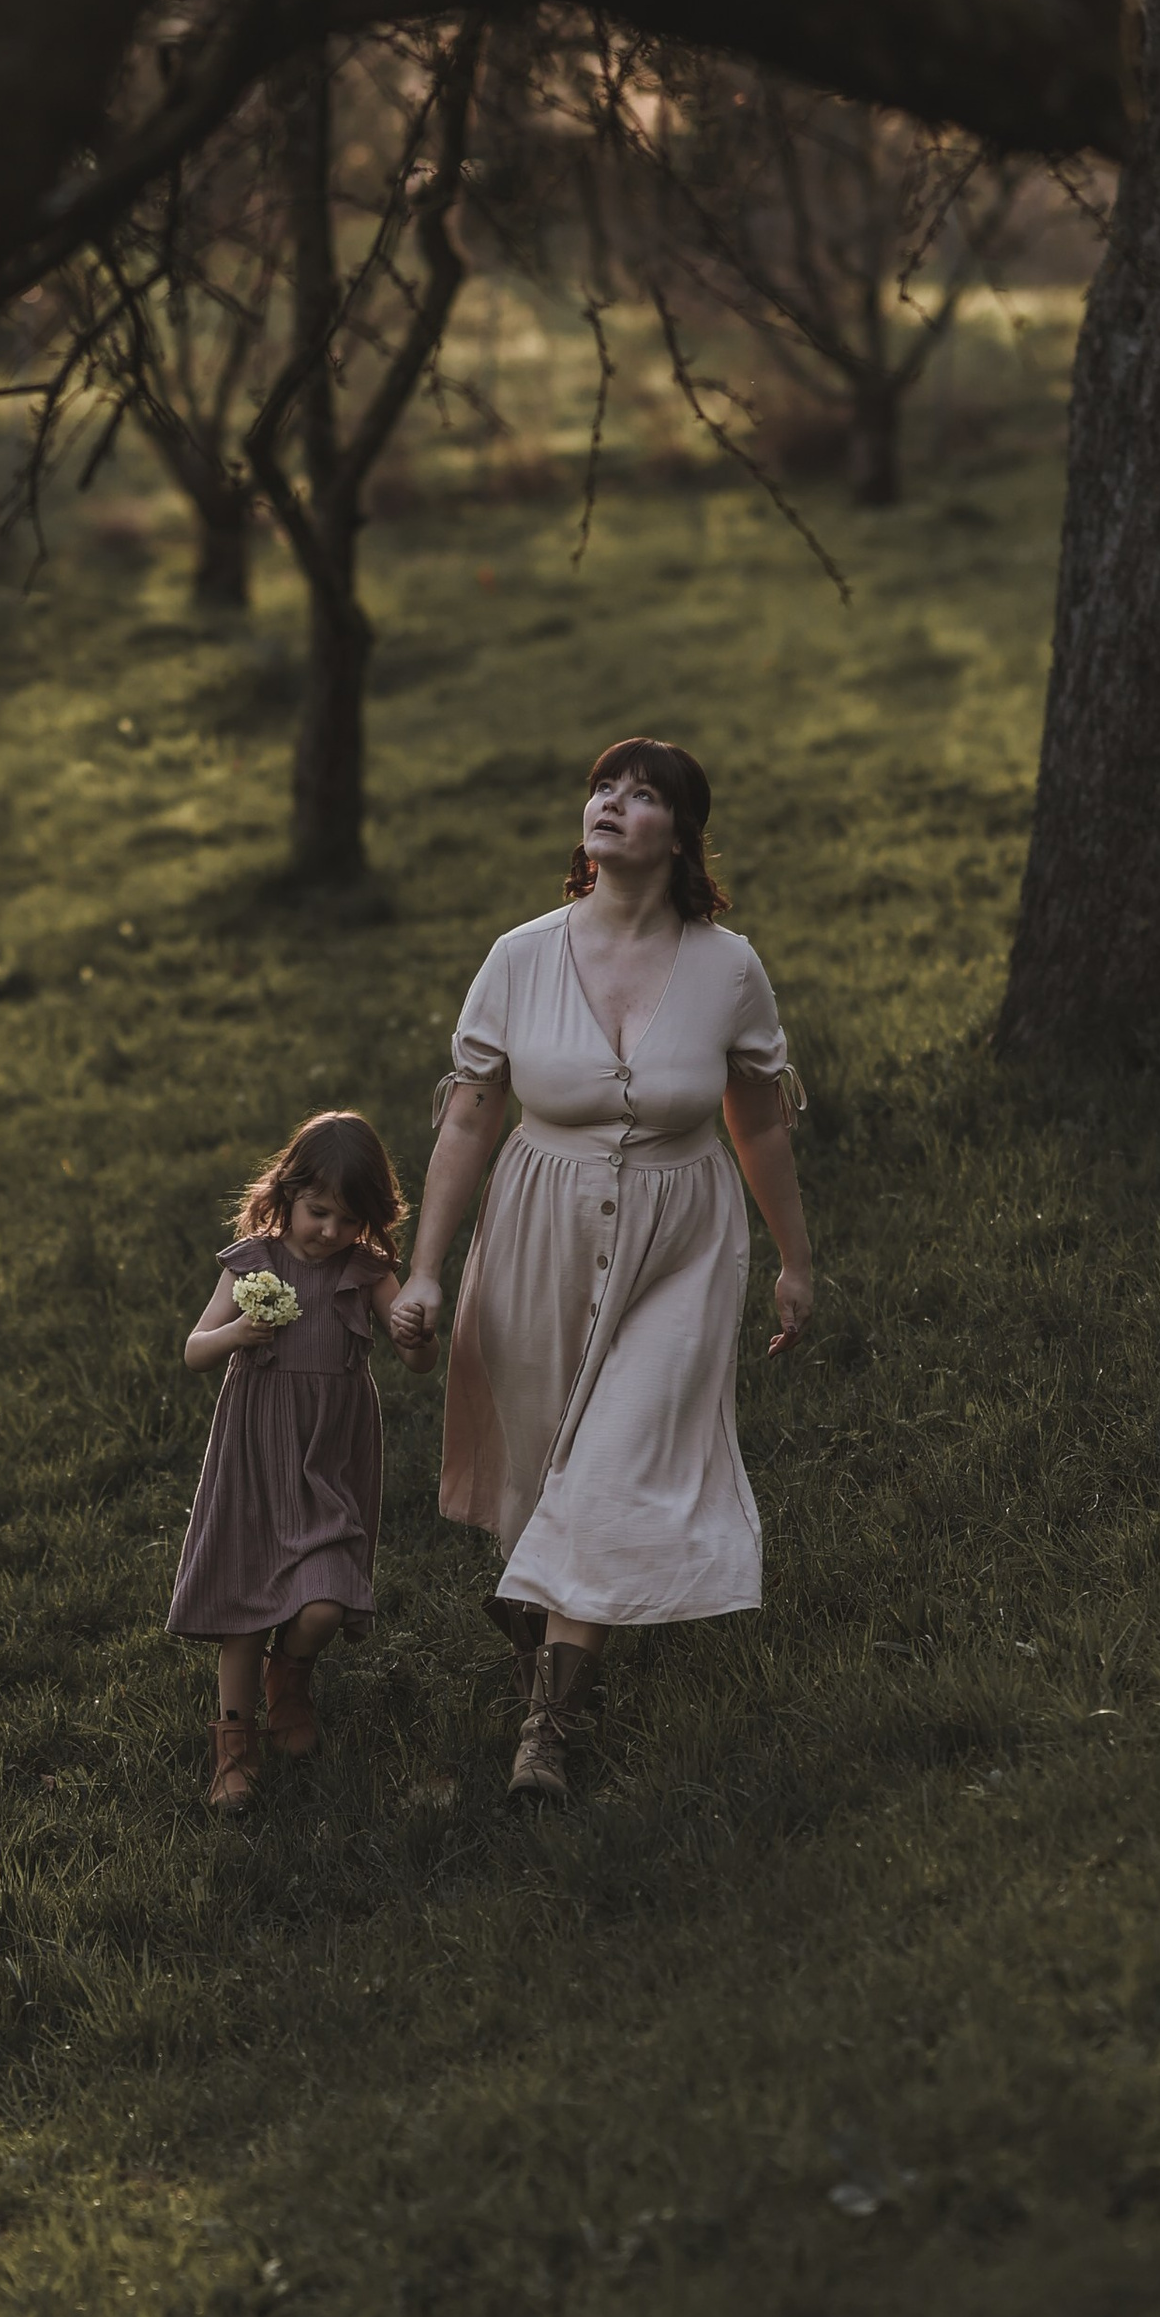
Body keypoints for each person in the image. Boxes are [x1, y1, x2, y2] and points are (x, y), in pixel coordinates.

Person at [389, 738, 811, 1802]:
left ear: (681, 832)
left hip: (684, 1240)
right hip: (538, 1223)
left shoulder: (728, 967)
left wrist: (795, 1261)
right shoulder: (521, 955)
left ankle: (548, 1729)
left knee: (620, 1459)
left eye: (644, 795)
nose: (613, 805)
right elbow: (470, 1118)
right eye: (603, 788)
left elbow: (757, 1123)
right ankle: (548, 1619)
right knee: (543, 1469)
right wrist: (425, 1270)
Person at [167, 1109, 433, 1813]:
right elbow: (195, 1351)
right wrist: (239, 1332)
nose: (329, 1232)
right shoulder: (254, 1261)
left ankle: (289, 1676)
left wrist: (416, 1330)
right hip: (256, 1454)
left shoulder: (366, 1271)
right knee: (247, 1602)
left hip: (328, 1460)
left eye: (348, 1221)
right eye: (317, 1212)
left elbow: (415, 1360)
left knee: (322, 1603)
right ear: (287, 1194)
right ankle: (234, 1744)